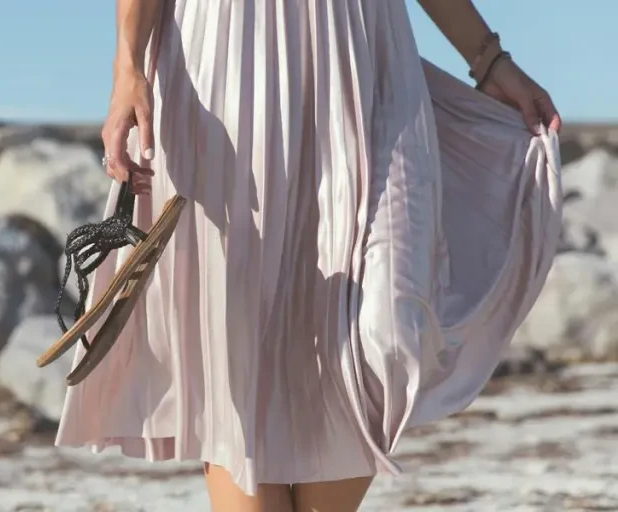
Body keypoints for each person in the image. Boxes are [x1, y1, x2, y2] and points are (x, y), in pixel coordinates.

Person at [55, 0, 564, 510]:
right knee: (240, 369)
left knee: (394, 332)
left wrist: (489, 60)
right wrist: (129, 66)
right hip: (227, 71)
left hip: (372, 70)